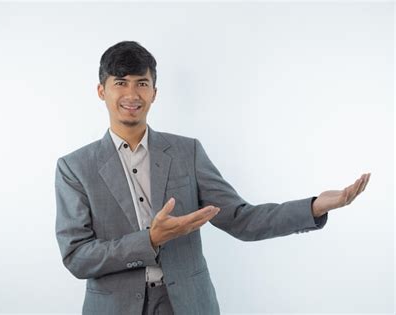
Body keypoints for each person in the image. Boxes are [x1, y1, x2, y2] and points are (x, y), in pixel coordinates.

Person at [54, 41, 370, 315]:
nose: (132, 94)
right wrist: (150, 240)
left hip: (189, 304)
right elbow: (78, 257)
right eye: (120, 82)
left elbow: (242, 220)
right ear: (101, 90)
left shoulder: (186, 152)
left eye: (142, 83)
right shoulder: (74, 167)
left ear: (154, 92)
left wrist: (314, 207)